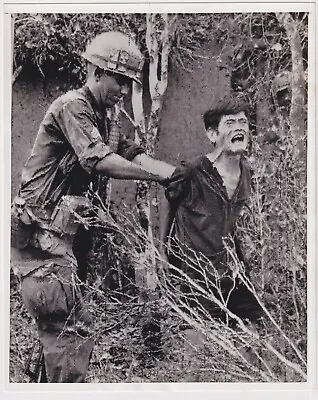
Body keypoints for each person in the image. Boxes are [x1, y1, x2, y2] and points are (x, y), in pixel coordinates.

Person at [10, 31, 175, 383]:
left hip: (63, 239)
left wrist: (173, 172)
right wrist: (155, 178)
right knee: (70, 332)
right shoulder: (73, 106)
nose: (124, 91)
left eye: (129, 84)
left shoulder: (106, 116)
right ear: (97, 72)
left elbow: (128, 151)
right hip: (42, 238)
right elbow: (98, 159)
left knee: (60, 332)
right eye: (120, 81)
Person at [159, 97, 263, 332]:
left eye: (243, 122)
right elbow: (168, 200)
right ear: (212, 135)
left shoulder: (249, 174)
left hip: (236, 273)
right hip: (199, 275)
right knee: (206, 338)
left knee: (257, 327)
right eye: (230, 123)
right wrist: (161, 249)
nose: (239, 127)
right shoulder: (192, 171)